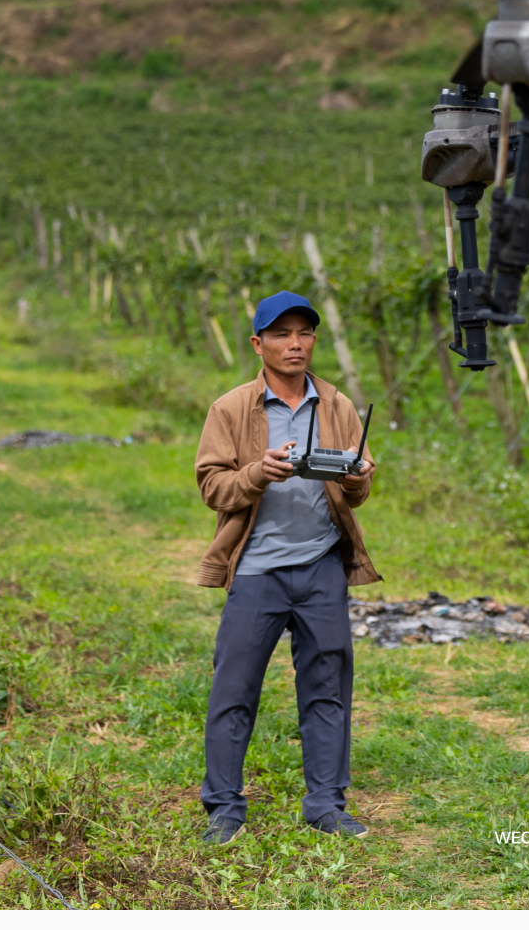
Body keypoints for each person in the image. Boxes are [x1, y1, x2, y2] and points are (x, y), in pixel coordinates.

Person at [192, 290, 380, 843]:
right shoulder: (230, 409)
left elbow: (358, 490)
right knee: (234, 688)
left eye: (304, 333)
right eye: (280, 334)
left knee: (327, 687)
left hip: (321, 566)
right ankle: (224, 807)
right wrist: (258, 473)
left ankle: (326, 804)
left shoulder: (337, 404)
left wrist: (356, 476)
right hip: (256, 570)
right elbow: (212, 486)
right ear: (258, 344)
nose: (294, 344)